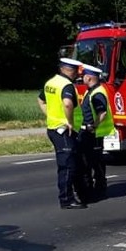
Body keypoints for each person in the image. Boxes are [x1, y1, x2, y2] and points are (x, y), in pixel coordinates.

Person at [37, 57, 88, 209]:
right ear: (68, 70)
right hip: (64, 131)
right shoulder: (67, 85)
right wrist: (70, 121)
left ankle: (81, 193)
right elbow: (67, 103)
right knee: (68, 166)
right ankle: (66, 199)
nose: (76, 74)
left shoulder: (50, 83)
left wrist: (50, 115)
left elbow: (40, 100)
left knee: (76, 162)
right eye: (75, 71)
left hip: (53, 128)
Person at [75, 64, 115, 201]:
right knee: (92, 162)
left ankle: (98, 190)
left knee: (95, 163)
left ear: (90, 77)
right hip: (89, 133)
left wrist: (94, 125)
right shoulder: (91, 91)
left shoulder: (97, 93)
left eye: (84, 76)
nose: (82, 78)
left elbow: (102, 113)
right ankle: (94, 188)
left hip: (94, 134)